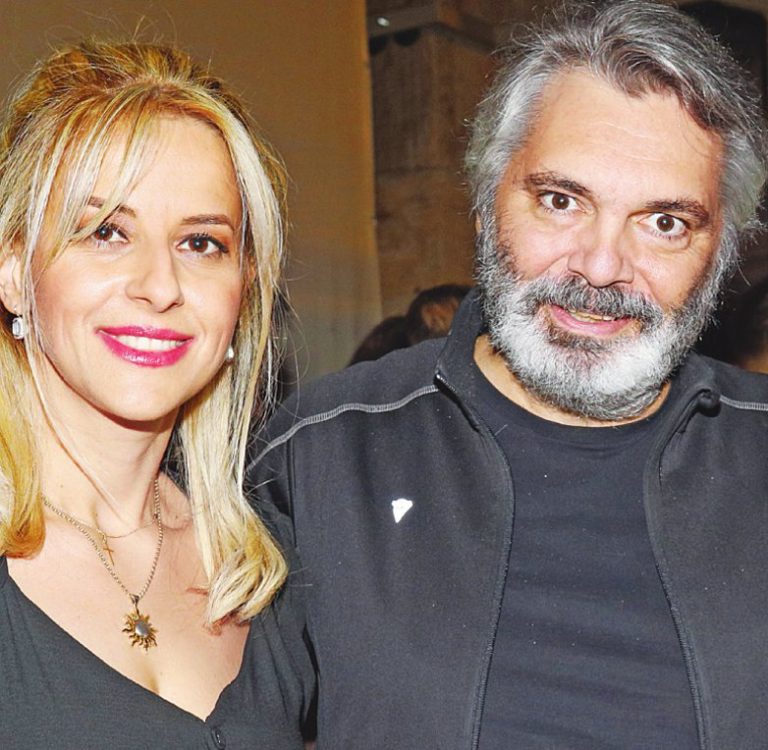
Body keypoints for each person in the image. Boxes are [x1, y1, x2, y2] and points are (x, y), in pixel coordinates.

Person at [251, 1, 768, 748]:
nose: (601, 267)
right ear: (485, 205)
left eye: (664, 223)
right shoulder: (320, 456)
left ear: (719, 255)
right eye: (561, 201)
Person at [0, 41, 313, 748]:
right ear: (14, 271)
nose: (161, 286)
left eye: (201, 243)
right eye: (107, 232)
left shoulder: (271, 569)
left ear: (243, 290)